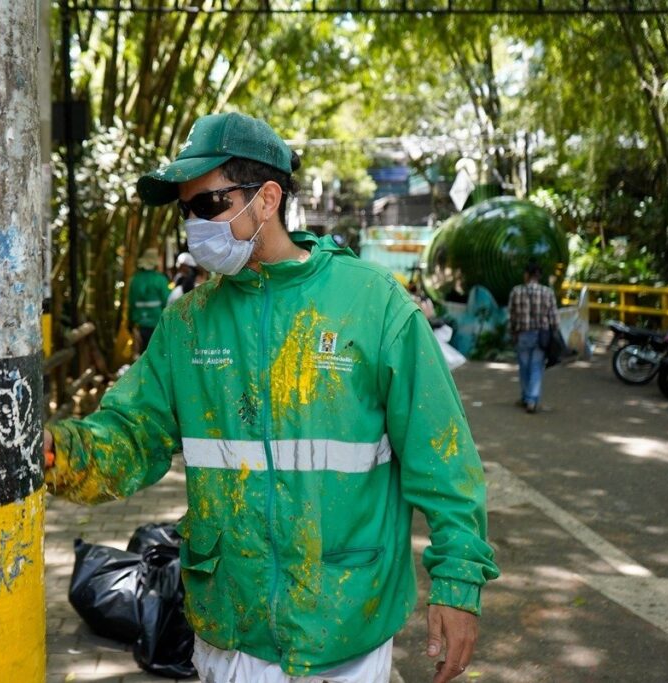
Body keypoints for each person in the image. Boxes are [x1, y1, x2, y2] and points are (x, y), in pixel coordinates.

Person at [44, 112, 498, 683]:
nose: (194, 225)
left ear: (266, 199)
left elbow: (444, 459)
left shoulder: (373, 305)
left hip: (342, 626)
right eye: (185, 211)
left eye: (209, 204)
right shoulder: (188, 324)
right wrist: (54, 454)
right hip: (228, 630)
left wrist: (458, 582)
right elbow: (131, 435)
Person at [507, 262, 560, 414]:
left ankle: (525, 397)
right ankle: (532, 400)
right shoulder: (547, 292)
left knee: (524, 367)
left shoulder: (516, 291)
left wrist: (512, 333)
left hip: (522, 334)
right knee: (536, 367)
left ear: (526, 275)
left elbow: (511, 316)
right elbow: (554, 318)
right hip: (542, 336)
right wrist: (554, 333)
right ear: (539, 276)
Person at [128, 247, 171, 352]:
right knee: (156, 353)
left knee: (141, 353)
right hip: (157, 323)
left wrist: (130, 322)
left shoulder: (135, 280)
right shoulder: (160, 279)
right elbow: (167, 301)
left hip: (140, 323)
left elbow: (131, 303)